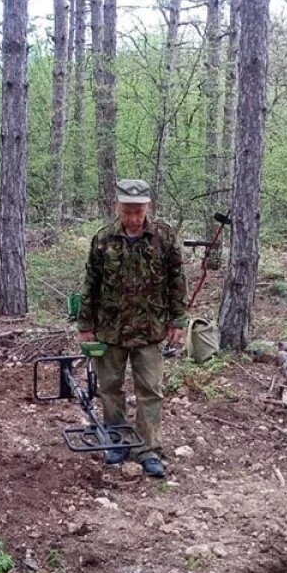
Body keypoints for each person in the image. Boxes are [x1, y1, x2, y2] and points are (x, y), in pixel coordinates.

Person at [77, 179, 187, 478]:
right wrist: (85, 325)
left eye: (138, 212)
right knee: (110, 388)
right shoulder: (103, 240)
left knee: (150, 390)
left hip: (149, 330)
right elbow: (91, 285)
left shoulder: (163, 237)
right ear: (118, 207)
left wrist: (178, 321)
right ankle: (118, 440)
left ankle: (148, 449)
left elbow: (177, 282)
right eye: (128, 211)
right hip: (110, 329)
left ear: (148, 207)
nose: (133, 218)